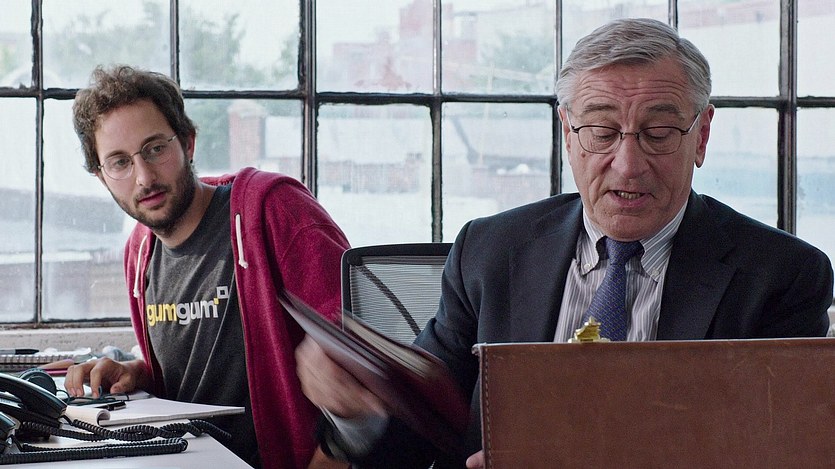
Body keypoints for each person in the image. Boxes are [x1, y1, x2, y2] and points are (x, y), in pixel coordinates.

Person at [294, 17, 834, 469]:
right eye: (601, 132)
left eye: (659, 134)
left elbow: (784, 452)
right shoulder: (490, 252)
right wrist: (355, 410)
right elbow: (417, 433)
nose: (628, 164)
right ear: (567, 133)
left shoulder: (782, 275)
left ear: (702, 135)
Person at [64, 65, 351, 469]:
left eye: (155, 149)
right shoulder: (139, 251)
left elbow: (364, 357)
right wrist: (139, 372)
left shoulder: (272, 212)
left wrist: (331, 458)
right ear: (101, 177)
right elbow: (195, 378)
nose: (143, 177)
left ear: (188, 142)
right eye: (120, 162)